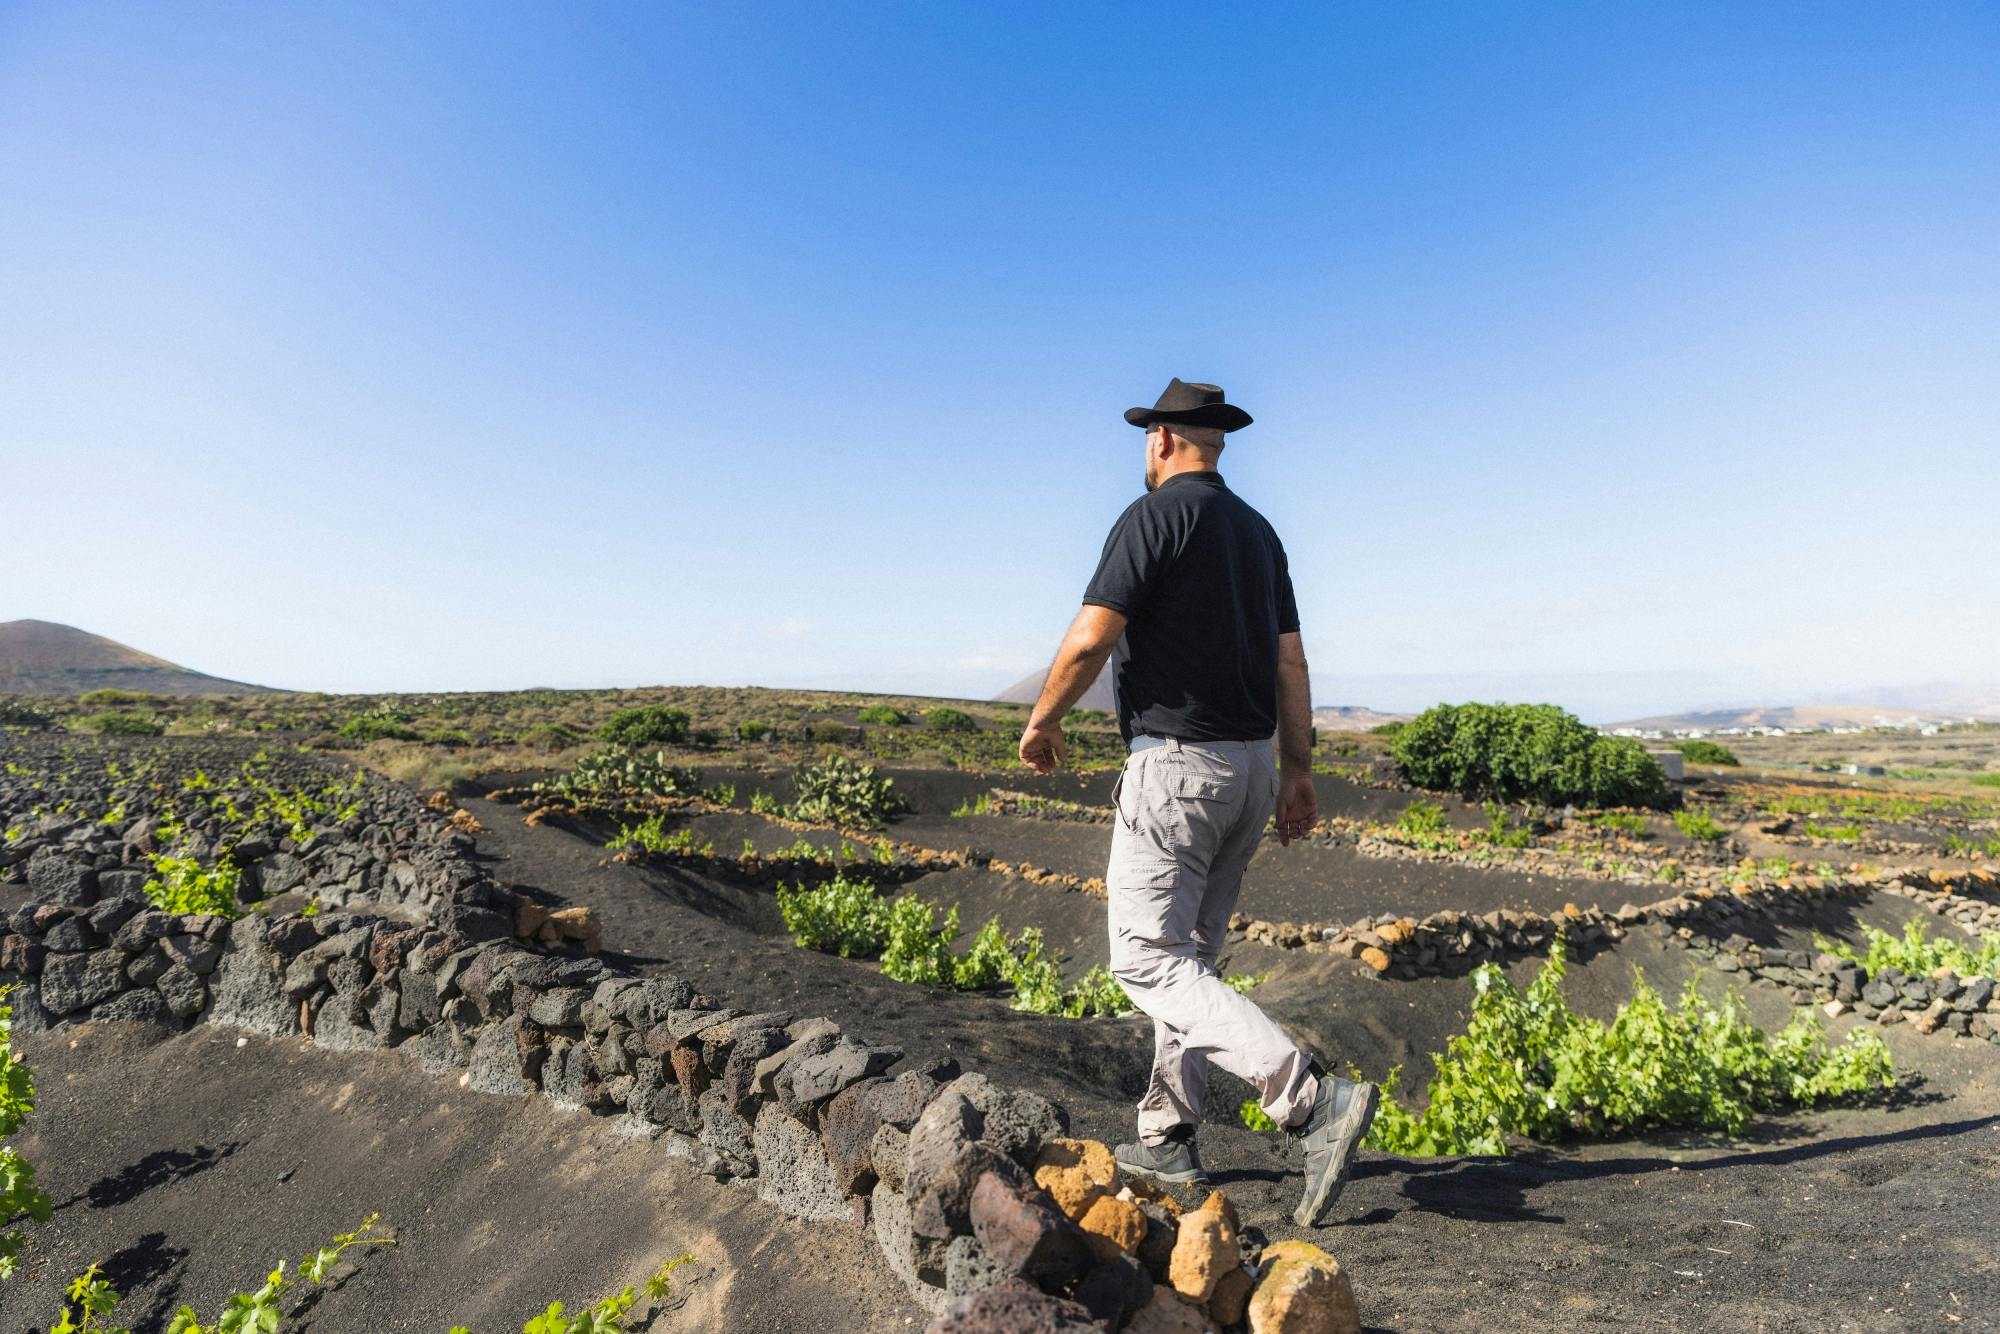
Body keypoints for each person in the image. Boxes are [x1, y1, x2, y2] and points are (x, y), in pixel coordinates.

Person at [1016, 378, 1376, 1228]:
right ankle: (1167, 1132)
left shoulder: (1153, 517)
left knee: (1145, 959)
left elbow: (1092, 636)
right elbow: (1291, 662)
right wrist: (1297, 770)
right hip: (1250, 769)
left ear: (1164, 441)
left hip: (1178, 769)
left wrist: (1042, 721)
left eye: (1149, 436)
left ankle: (1311, 1100)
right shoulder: (1260, 535)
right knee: (1190, 962)